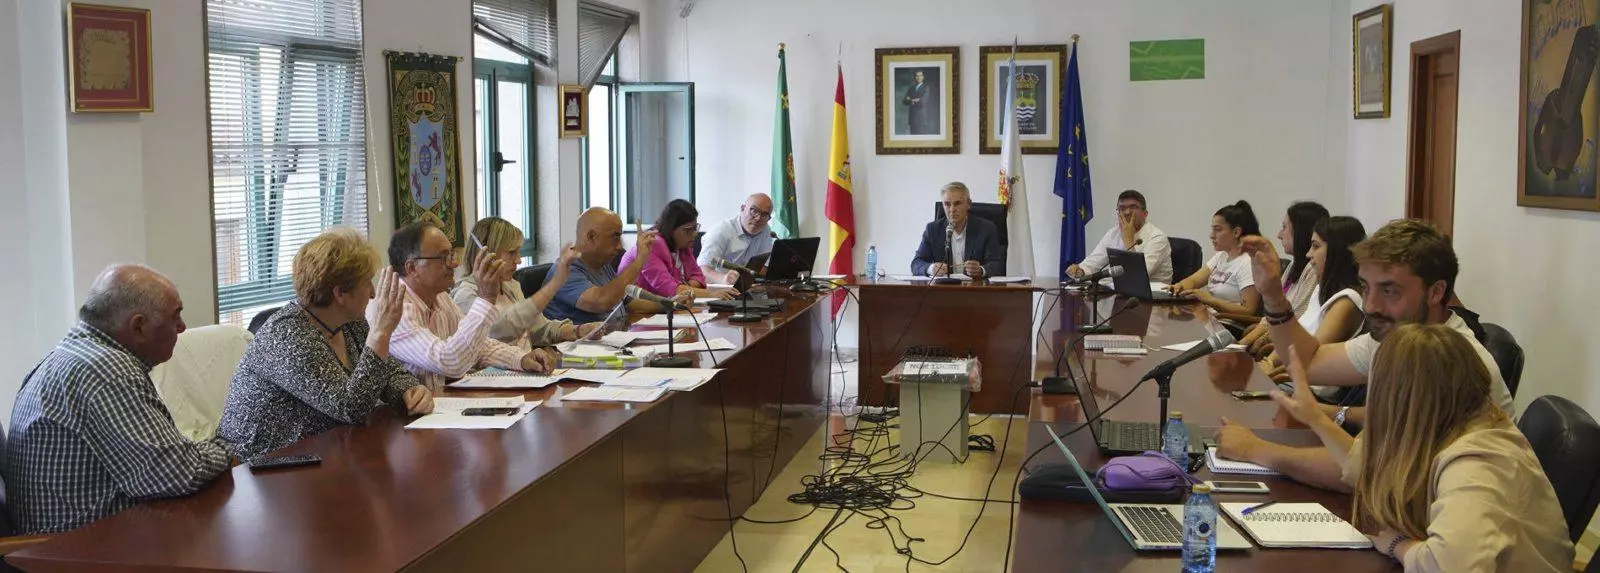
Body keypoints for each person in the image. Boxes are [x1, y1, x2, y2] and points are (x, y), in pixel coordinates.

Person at [1215, 219, 1515, 492]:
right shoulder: (1397, 337)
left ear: (1435, 292)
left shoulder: (1449, 363)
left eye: (1390, 291)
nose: (1371, 306)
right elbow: (1308, 361)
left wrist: (1255, 450)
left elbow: (1373, 474)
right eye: (1366, 288)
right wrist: (1272, 295)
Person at [1270, 326, 1572, 571]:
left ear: (1406, 401)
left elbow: (1449, 566)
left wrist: (1398, 546)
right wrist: (1316, 418)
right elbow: (1371, 468)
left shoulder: (1478, 461)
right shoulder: (1452, 426)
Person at [4, 265, 230, 534]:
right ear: (138, 327)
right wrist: (229, 443)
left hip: (72, 540)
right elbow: (179, 474)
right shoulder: (106, 370)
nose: (182, 327)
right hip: (80, 548)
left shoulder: (70, 354)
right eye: (175, 316)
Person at [218, 229, 434, 461]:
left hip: (323, 452)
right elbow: (351, 408)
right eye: (366, 283)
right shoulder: (287, 335)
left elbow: (388, 371)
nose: (373, 294)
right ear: (340, 293)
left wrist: (409, 391)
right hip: (263, 465)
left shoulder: (350, 322)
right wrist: (380, 333)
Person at [374, 220, 557, 392]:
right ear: (412, 267)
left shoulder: (441, 298)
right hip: (404, 415)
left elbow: (478, 347)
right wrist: (486, 299)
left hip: (439, 407)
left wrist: (520, 358)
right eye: (444, 257)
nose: (455, 263)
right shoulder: (393, 309)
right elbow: (450, 361)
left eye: (452, 254)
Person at [1249, 216, 1368, 390]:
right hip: (1287, 378)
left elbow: (1309, 359)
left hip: (1305, 390)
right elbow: (1296, 339)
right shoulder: (1320, 289)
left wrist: (1268, 370)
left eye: (1316, 246)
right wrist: (1268, 362)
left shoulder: (1346, 302)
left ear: (1337, 252)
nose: (1308, 254)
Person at [452, 217, 604, 347]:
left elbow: (539, 328)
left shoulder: (511, 285)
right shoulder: (465, 296)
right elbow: (503, 329)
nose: (518, 260)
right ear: (485, 254)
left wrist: (578, 330)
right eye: (511, 252)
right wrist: (555, 284)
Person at [1238, 202, 1332, 369]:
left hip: (1284, 356)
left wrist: (1261, 353)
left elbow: (1295, 320)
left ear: (1300, 232)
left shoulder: (1312, 271)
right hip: (1277, 349)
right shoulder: (1293, 265)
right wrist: (1239, 345)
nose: (1279, 235)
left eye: (1284, 227)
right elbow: (1271, 315)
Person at [543, 207, 676, 323]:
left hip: (613, 336)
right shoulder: (565, 270)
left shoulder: (602, 264)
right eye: (615, 237)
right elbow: (602, 302)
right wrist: (640, 259)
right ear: (591, 237)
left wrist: (671, 303)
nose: (620, 246)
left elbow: (628, 301)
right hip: (580, 343)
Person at [620, 199, 733, 300]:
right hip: (635, 309)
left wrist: (685, 288)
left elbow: (699, 277)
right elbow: (669, 289)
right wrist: (712, 294)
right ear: (671, 227)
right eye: (688, 230)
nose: (694, 234)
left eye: (695, 228)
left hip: (664, 306)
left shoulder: (683, 246)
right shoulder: (652, 244)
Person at [1168, 200, 1263, 316]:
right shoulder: (1221, 256)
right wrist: (1180, 286)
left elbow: (1249, 311)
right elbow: (1194, 280)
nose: (1211, 235)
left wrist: (1210, 300)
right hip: (1210, 316)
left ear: (1236, 232)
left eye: (1218, 230)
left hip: (1228, 322)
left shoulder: (1248, 262)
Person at [1068, 190, 1173, 283]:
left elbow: (1138, 276)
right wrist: (1080, 271)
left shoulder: (1157, 237)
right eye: (1122, 208)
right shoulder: (1113, 233)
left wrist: (1129, 240)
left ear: (1145, 214)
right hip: (1122, 292)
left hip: (1155, 296)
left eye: (1133, 207)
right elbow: (1093, 262)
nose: (1127, 212)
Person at [911, 182, 1003, 278]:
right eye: (947, 204)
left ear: (969, 204)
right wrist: (931, 268)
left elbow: (996, 264)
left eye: (957, 203)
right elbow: (916, 263)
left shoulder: (986, 228)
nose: (952, 209)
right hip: (944, 286)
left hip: (975, 286)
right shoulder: (933, 230)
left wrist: (981, 270)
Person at [698, 193, 776, 285]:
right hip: (719, 287)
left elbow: (763, 267)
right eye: (754, 211)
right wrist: (723, 279)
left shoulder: (766, 231)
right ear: (742, 208)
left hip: (746, 286)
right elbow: (702, 270)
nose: (758, 218)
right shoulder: (721, 231)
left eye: (764, 215)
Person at [903, 70, 933, 135]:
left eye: (920, 76)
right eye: (917, 76)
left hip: (921, 118)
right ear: (915, 77)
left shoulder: (926, 87)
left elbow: (923, 100)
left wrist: (911, 99)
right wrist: (914, 100)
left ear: (923, 77)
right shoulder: (911, 88)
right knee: (913, 137)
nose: (918, 77)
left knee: (920, 138)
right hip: (912, 118)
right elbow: (904, 101)